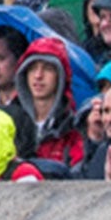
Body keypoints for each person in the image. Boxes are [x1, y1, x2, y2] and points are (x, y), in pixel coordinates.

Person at [15, 38, 86, 173]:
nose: (38, 75)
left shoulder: (73, 129)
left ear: (60, 76)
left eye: (48, 68)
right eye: (32, 68)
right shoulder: (10, 124)